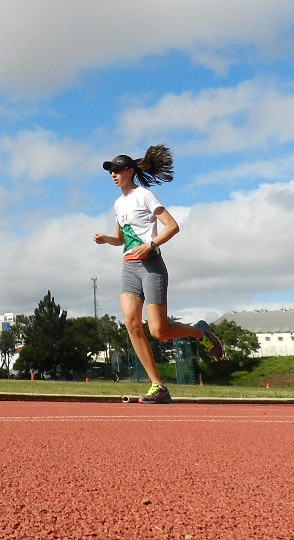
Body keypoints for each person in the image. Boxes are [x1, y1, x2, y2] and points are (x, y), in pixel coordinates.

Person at [93, 144, 222, 404]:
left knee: (159, 331)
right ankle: (158, 386)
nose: (113, 175)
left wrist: (151, 244)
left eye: (118, 170)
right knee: (131, 323)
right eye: (110, 171)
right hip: (129, 266)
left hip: (151, 265)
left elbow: (172, 226)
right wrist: (107, 239)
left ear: (130, 171)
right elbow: (121, 238)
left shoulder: (144, 195)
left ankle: (199, 333)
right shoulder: (118, 204)